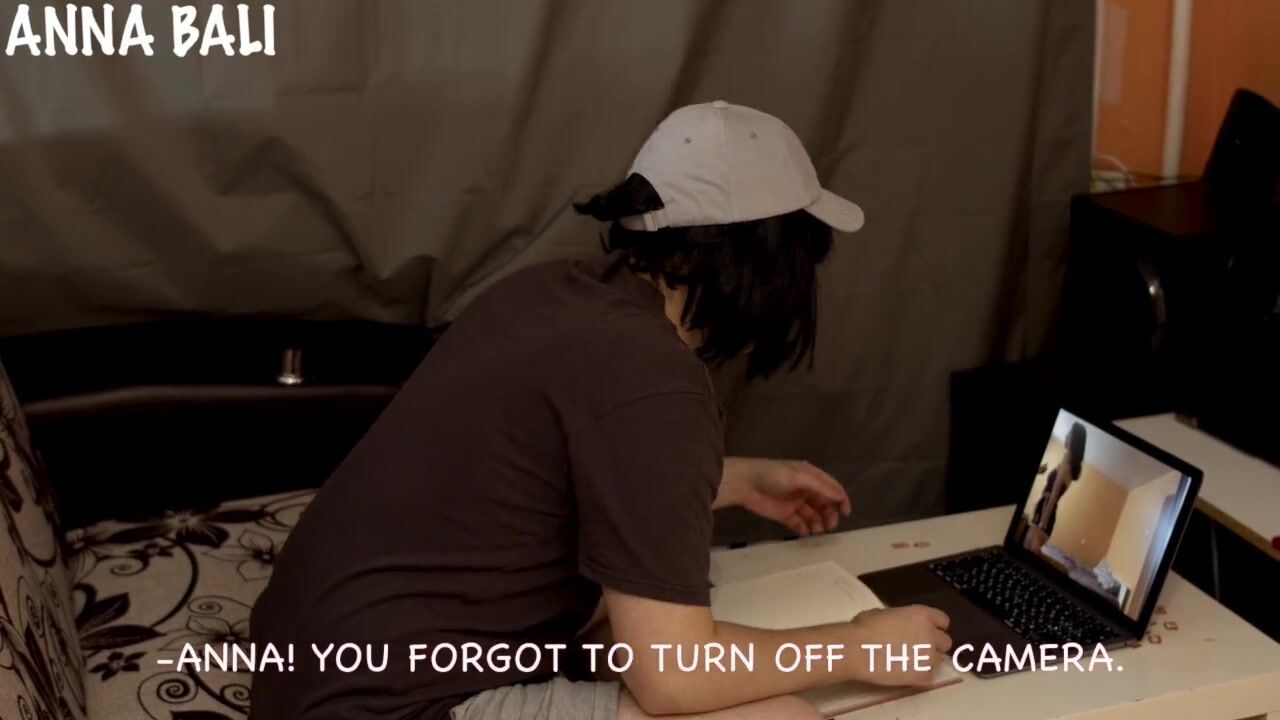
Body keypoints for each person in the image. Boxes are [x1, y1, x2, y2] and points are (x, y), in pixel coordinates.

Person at [249, 101, 952, 720]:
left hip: (305, 670)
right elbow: (673, 678)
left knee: (627, 622)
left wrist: (734, 479)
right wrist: (858, 646)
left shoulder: (554, 293)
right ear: (765, 258)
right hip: (388, 703)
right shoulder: (656, 382)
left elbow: (546, 474)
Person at [1028, 422, 1088, 552]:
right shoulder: (1072, 466)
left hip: (1046, 511)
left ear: (1074, 439)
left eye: (1070, 432)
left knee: (1028, 547)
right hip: (1048, 511)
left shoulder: (1067, 457)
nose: (1066, 435)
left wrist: (1042, 525)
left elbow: (1054, 495)